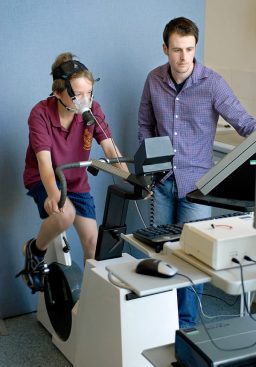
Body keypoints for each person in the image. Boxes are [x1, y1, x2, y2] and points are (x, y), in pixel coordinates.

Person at [138, 17, 256, 328]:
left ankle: (186, 327)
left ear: (195, 48)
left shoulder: (212, 84)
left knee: (192, 258)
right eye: (176, 50)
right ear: (165, 48)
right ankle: (160, 323)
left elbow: (246, 124)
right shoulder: (153, 80)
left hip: (197, 187)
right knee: (162, 254)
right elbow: (144, 125)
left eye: (189, 49)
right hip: (162, 181)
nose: (183, 58)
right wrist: (148, 170)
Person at [19, 52, 128, 293]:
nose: (85, 100)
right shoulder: (40, 114)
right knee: (64, 214)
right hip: (44, 178)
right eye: (78, 94)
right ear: (58, 93)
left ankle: (90, 304)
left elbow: (110, 147)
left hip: (76, 181)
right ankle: (35, 250)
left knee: (93, 244)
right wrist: (53, 194)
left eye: (89, 93)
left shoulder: (92, 112)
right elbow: (45, 164)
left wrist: (130, 180)